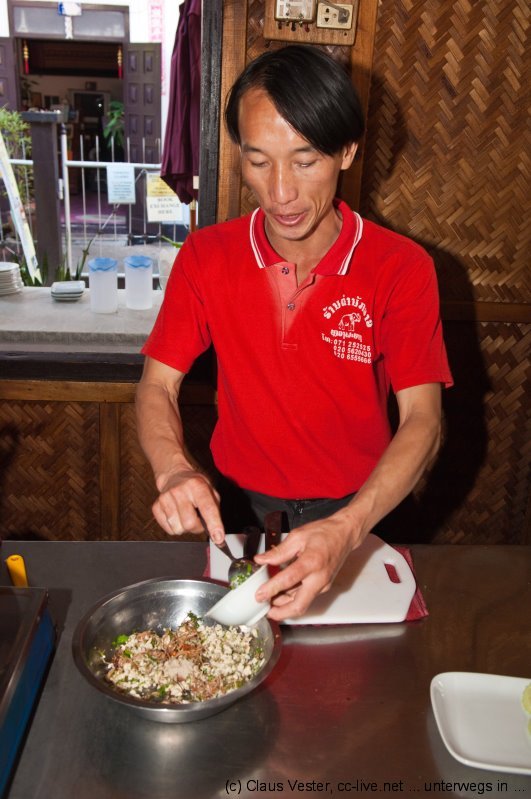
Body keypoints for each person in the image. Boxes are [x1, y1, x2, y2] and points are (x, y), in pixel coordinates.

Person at [136, 44, 453, 621]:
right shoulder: (207, 256)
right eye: (258, 161)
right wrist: (174, 468)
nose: (280, 192)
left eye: (305, 161)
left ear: (347, 151)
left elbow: (423, 421)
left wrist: (348, 528)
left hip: (363, 509)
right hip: (240, 511)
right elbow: (157, 385)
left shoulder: (401, 268)